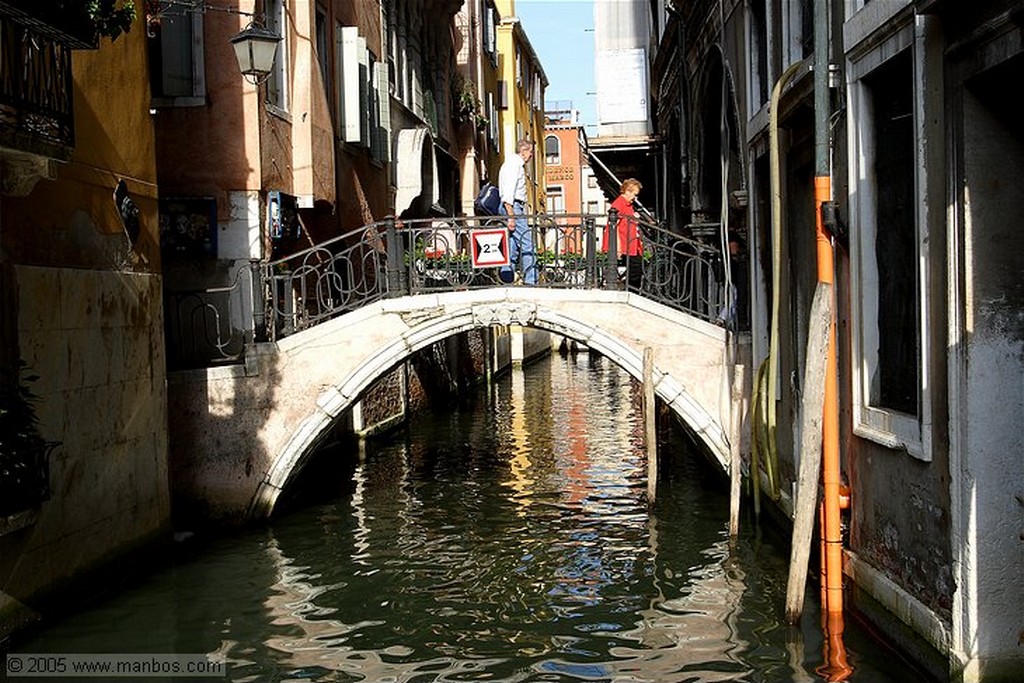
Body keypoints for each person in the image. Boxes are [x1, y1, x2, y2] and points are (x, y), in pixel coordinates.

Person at [498, 138, 537, 285]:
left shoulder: (509, 164)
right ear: (523, 151)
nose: (531, 155)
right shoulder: (515, 166)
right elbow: (508, 194)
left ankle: (506, 279)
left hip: (511, 207)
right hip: (513, 207)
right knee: (528, 243)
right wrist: (511, 216)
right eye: (530, 152)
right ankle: (531, 281)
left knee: (512, 246)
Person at [602, 178, 643, 289]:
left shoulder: (627, 205)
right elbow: (614, 226)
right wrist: (618, 247)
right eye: (635, 194)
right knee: (635, 269)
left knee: (636, 268)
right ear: (628, 191)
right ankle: (629, 290)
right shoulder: (619, 204)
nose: (635, 198)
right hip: (626, 245)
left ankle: (629, 288)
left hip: (631, 245)